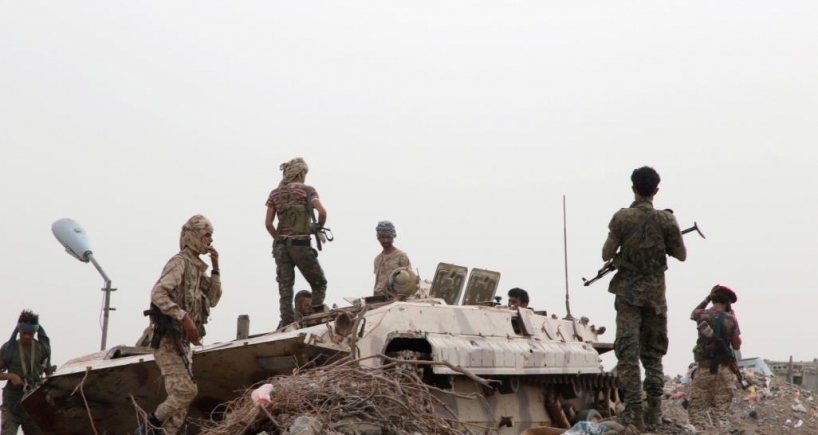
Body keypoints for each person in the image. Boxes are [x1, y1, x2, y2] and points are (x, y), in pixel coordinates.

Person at [601, 166, 687, 430]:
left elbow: (606, 254)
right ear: (656, 190)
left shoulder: (622, 218)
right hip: (655, 299)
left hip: (628, 297)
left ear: (633, 188)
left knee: (628, 353)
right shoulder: (667, 220)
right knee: (653, 354)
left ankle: (633, 412)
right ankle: (655, 413)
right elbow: (681, 255)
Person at [137, 215, 222, 435]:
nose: (210, 240)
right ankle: (147, 428)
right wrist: (183, 317)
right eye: (206, 235)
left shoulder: (197, 268)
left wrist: (215, 268)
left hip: (182, 343)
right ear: (194, 236)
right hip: (167, 339)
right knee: (186, 391)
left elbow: (213, 299)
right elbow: (158, 293)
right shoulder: (179, 262)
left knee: (181, 404)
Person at [265, 158, 328, 327]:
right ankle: (313, 318)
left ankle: (287, 323)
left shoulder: (274, 193)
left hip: (281, 248)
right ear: (301, 173)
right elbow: (322, 212)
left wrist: (280, 239)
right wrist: (317, 227)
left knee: (285, 289)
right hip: (301, 246)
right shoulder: (308, 190)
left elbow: (268, 224)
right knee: (319, 283)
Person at [688, 285, 742, 432]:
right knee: (721, 412)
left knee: (697, 410)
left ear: (713, 299)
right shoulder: (731, 319)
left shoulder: (701, 314)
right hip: (724, 370)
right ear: (728, 302)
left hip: (704, 370)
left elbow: (692, 313)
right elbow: (736, 345)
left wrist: (707, 298)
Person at [0, 310, 51, 435]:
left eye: (30, 333)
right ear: (19, 330)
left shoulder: (42, 349)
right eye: (24, 333)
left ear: (35, 332)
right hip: (11, 404)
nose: (27, 336)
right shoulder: (9, 348)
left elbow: (48, 374)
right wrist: (11, 376)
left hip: (33, 405)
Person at [373, 221, 412, 296]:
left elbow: (409, 281)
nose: (385, 240)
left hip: (395, 299)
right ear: (378, 238)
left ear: (393, 237)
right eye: (383, 237)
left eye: (388, 237)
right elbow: (377, 283)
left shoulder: (401, 256)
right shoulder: (377, 259)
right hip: (379, 298)